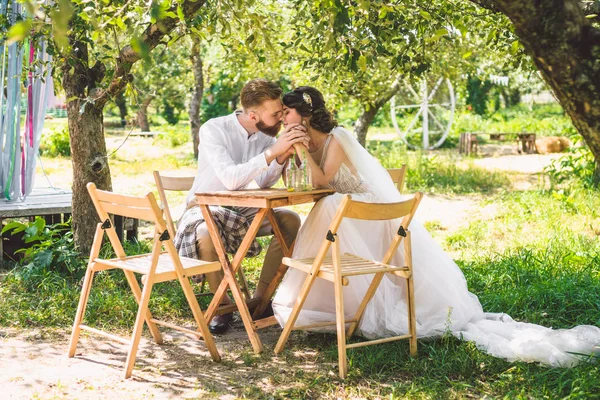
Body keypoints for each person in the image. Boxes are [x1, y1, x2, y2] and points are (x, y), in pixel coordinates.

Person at [272, 86, 600, 366]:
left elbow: (321, 182)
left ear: (304, 115)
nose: (282, 119)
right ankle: (334, 306)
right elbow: (301, 183)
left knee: (327, 205)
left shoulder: (337, 138)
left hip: (371, 215)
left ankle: (331, 301)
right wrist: (288, 152)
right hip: (350, 217)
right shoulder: (310, 144)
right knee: (327, 207)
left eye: (286, 112)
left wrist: (299, 146)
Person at [176, 79, 309, 334]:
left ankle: (260, 300)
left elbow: (263, 180)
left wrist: (279, 156)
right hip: (205, 205)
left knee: (290, 219)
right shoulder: (214, 129)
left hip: (243, 208)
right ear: (252, 115)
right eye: (276, 114)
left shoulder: (266, 134)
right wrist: (271, 154)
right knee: (205, 231)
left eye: (282, 112)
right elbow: (231, 179)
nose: (281, 118)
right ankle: (222, 305)